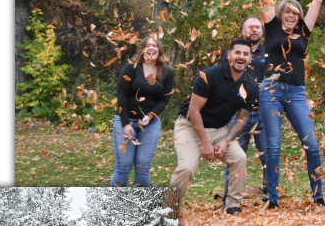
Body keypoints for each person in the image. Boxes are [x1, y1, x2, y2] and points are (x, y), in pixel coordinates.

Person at [250, 0, 325, 208]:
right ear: (280, 14)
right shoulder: (271, 28)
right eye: (287, 11)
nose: (291, 15)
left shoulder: (304, 31)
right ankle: (273, 199)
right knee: (274, 147)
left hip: (297, 93)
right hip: (272, 90)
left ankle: (318, 197)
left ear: (299, 17)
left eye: (295, 12)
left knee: (311, 145)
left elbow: (317, 2)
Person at [168, 38, 260, 215]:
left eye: (246, 54)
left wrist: (225, 142)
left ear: (250, 59)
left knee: (239, 158)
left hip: (219, 129)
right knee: (186, 168)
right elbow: (194, 111)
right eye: (238, 53)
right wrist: (205, 143)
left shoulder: (251, 85)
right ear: (229, 55)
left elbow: (242, 118)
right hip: (190, 126)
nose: (241, 57)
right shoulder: (209, 75)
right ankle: (168, 208)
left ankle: (233, 206)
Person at [111, 34, 174, 187]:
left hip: (150, 124)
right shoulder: (131, 68)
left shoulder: (167, 72)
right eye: (147, 45)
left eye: (155, 45)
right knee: (124, 166)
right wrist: (125, 124)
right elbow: (121, 95)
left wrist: (151, 116)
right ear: (142, 49)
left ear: (159, 50)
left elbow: (164, 100)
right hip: (126, 120)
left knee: (142, 166)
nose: (151, 47)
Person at [222, 16, 270, 205]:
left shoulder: (269, 55)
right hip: (237, 114)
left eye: (257, 27)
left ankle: (270, 198)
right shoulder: (232, 55)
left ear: (262, 32)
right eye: (250, 27)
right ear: (243, 32)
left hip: (263, 113)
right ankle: (230, 200)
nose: (254, 30)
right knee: (234, 157)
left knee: (268, 156)